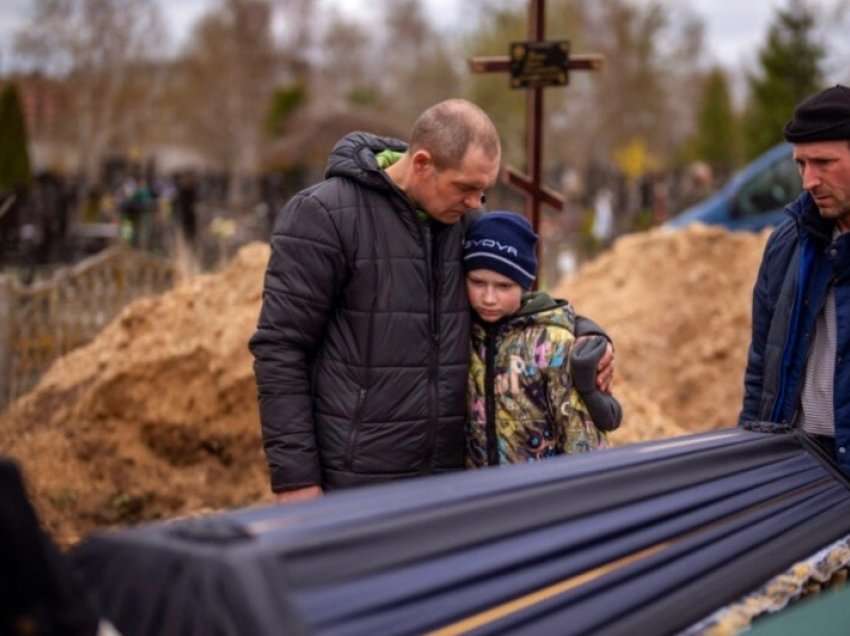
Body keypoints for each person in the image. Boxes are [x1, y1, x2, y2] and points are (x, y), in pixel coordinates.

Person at [249, 99, 504, 502]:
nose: (476, 203)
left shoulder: (466, 222)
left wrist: (583, 336)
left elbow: (516, 302)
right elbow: (281, 348)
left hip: (450, 482)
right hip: (354, 484)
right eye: (466, 187)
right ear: (421, 163)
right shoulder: (324, 216)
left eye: (483, 190)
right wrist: (295, 478)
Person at [738, 85, 850, 472]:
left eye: (823, 162)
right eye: (801, 164)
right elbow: (760, 367)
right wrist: (750, 463)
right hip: (798, 466)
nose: (808, 181)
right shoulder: (788, 242)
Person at [463, 212, 622, 467]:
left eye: (504, 286)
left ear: (526, 285)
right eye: (478, 282)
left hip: (543, 495)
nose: (489, 298)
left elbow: (580, 434)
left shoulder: (554, 345)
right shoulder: (463, 335)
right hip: (480, 495)